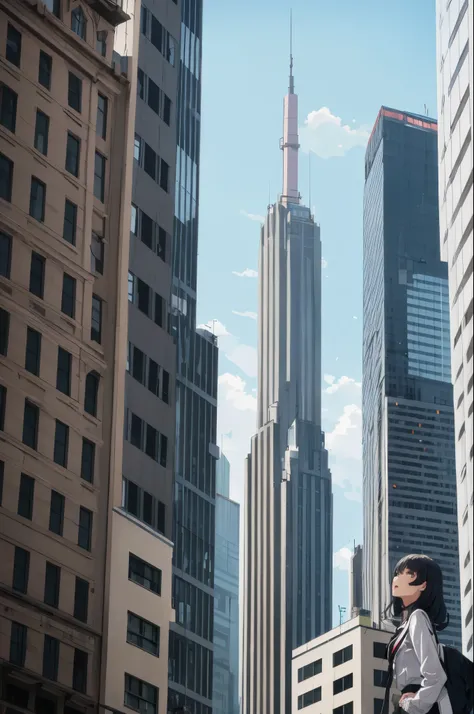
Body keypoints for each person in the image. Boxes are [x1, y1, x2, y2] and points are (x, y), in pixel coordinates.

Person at [384, 554, 453, 714]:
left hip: (421, 705)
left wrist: (415, 703)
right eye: (397, 573)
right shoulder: (407, 623)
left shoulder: (418, 618)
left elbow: (436, 676)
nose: (397, 578)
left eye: (409, 573)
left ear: (423, 585)